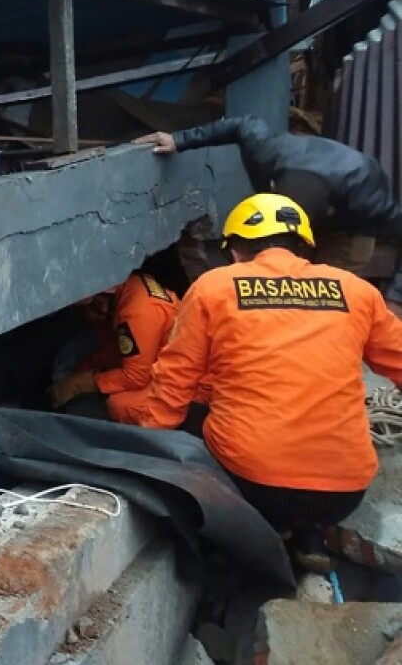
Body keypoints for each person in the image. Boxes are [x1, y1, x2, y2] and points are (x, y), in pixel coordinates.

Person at [129, 193, 402, 569]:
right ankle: (309, 535)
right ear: (305, 247)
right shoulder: (357, 291)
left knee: (191, 416)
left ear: (236, 251)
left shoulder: (215, 287)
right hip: (344, 491)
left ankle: (256, 530)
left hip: (255, 484)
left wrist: (149, 447)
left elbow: (175, 378)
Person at [136, 116, 402, 316]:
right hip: (305, 191)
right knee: (278, 284)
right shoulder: (267, 152)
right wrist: (179, 140)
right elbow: (240, 124)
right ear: (272, 186)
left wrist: (396, 297)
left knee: (321, 299)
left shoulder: (367, 198)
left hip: (346, 232)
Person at [48, 271, 180, 424]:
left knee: (118, 406)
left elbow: (136, 376)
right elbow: (117, 351)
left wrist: (78, 385)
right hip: (160, 364)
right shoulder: (128, 290)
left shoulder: (138, 311)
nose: (87, 315)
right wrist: (81, 370)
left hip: (183, 384)